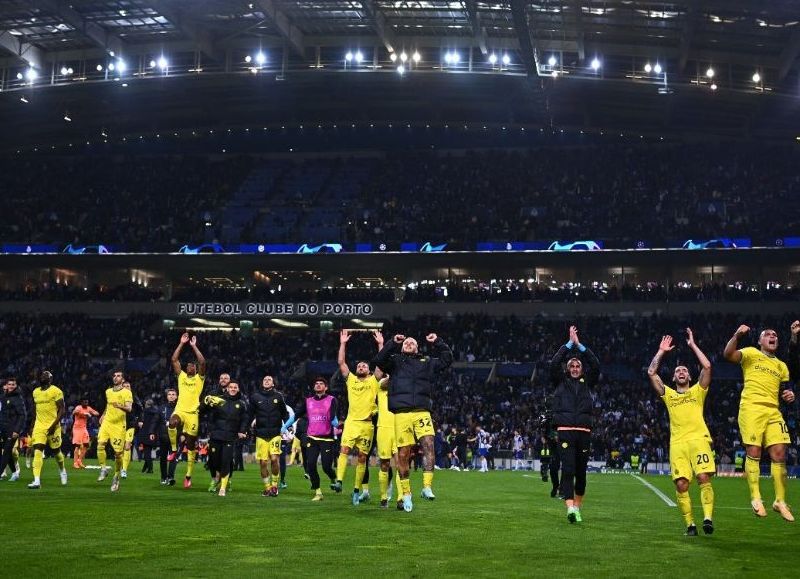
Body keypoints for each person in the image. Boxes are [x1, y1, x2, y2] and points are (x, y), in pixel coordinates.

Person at [373, 331, 453, 512]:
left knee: (429, 443)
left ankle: (427, 486)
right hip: (401, 413)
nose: (408, 343)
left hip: (422, 411)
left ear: (418, 347)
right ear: (402, 347)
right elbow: (378, 360)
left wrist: (438, 341)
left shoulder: (427, 362)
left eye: (412, 342)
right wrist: (392, 343)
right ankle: (407, 493)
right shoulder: (394, 361)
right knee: (403, 454)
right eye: (406, 343)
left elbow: (447, 359)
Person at [724, 323, 796, 521]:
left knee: (780, 453)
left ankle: (779, 501)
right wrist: (737, 335)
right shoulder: (750, 353)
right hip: (751, 408)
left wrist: (789, 395)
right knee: (754, 451)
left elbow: (785, 391)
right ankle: (756, 497)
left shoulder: (781, 366)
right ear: (760, 341)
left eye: (775, 335)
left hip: (773, 411)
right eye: (767, 334)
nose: (772, 336)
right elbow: (728, 354)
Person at [648, 330, 716, 535]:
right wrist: (661, 352)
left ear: (689, 375)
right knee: (681, 484)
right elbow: (651, 373)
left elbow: (708, 366)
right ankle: (690, 525)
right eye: (678, 370)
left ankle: (707, 519)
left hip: (698, 440)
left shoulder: (698, 391)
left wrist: (693, 345)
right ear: (674, 376)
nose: (681, 372)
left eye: (684, 370)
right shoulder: (668, 395)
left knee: (703, 477)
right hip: (677, 444)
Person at [550, 325, 600, 524]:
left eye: (578, 366)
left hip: (584, 432)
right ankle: (570, 508)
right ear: (567, 369)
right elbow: (554, 364)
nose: (575, 368)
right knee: (568, 470)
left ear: (581, 369)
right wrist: (568, 345)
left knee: (581, 473)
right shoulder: (560, 382)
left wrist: (580, 348)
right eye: (571, 366)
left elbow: (595, 365)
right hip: (565, 432)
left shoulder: (588, 382)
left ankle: (577, 507)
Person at [332, 329, 384, 506]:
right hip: (352, 422)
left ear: (369, 371)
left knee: (362, 458)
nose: (361, 367)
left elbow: (382, 364)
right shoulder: (351, 380)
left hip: (367, 425)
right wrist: (343, 343)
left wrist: (380, 344)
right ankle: (338, 481)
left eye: (364, 366)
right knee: (344, 451)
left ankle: (356, 490)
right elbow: (341, 362)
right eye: (359, 366)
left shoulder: (373, 381)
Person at [283, 377, 340, 501]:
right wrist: (285, 426)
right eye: (316, 384)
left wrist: (338, 425)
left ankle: (333, 479)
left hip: (327, 439)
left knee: (326, 467)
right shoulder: (308, 401)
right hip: (312, 438)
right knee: (310, 464)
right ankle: (318, 492)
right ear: (314, 387)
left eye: (321, 384)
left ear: (326, 387)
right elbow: (296, 415)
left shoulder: (331, 400)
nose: (318, 385)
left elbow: (333, 417)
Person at [168, 333, 207, 489]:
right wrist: (181, 343)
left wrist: (193, 346)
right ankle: (173, 449)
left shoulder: (199, 379)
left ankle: (188, 475)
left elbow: (203, 361)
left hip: (192, 414)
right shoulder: (181, 376)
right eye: (189, 366)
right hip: (180, 410)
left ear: (196, 369)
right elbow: (174, 360)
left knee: (191, 445)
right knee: (172, 423)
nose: (191, 367)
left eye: (193, 366)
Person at [203, 382, 249, 497]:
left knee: (226, 461)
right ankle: (216, 478)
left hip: (230, 437)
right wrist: (206, 401)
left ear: (238, 389)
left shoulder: (241, 404)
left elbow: (245, 419)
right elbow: (206, 412)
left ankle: (222, 487)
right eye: (231, 387)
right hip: (216, 435)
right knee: (213, 462)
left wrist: (242, 430)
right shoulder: (218, 400)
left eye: (235, 387)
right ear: (227, 389)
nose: (233, 389)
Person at [27, 371, 68, 489]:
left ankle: (62, 470)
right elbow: (35, 410)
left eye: (46, 375)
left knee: (56, 452)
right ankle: (36, 480)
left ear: (50, 379)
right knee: (38, 450)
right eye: (42, 375)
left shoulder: (56, 391)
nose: (43, 377)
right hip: (39, 426)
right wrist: (32, 426)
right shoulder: (35, 392)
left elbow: (62, 410)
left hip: (53, 425)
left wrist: (53, 425)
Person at [251, 375, 289, 497]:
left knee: (274, 459)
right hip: (261, 434)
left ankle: (274, 486)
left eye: (269, 380)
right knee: (263, 462)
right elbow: (249, 414)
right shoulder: (255, 397)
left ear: (273, 384)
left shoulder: (278, 396)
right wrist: (244, 429)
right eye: (265, 380)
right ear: (262, 383)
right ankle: (267, 488)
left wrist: (288, 426)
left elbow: (285, 413)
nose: (266, 381)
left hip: (275, 433)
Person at [96, 370, 133, 492]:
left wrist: (120, 406)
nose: (116, 378)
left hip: (119, 426)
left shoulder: (127, 392)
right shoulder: (108, 391)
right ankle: (103, 468)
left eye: (118, 376)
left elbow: (129, 408)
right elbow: (108, 405)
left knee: (118, 454)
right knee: (100, 444)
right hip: (107, 422)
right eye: (114, 376)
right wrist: (103, 415)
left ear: (122, 379)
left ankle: (116, 476)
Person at [0, 378, 26, 481]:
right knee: (8, 452)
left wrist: (17, 430)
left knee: (6, 451)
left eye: (13, 384)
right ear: (6, 386)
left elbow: (22, 415)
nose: (11, 386)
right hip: (3, 429)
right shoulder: (3, 397)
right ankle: (15, 473)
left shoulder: (18, 398)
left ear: (16, 386)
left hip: (13, 430)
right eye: (9, 384)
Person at [71, 394, 99, 469]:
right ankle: (75, 463)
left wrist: (92, 413)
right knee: (77, 445)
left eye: (87, 402)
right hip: (77, 429)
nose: (86, 403)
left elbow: (97, 413)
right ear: (82, 402)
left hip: (83, 429)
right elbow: (74, 412)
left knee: (86, 444)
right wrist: (84, 413)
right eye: (85, 402)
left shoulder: (88, 408)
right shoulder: (79, 407)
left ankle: (79, 460)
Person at [121, 381, 142, 479]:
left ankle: (124, 470)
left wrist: (140, 420)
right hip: (119, 424)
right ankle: (120, 467)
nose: (126, 387)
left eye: (128, 386)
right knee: (119, 448)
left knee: (127, 446)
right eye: (124, 386)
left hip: (130, 424)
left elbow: (141, 409)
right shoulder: (118, 396)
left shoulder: (133, 397)